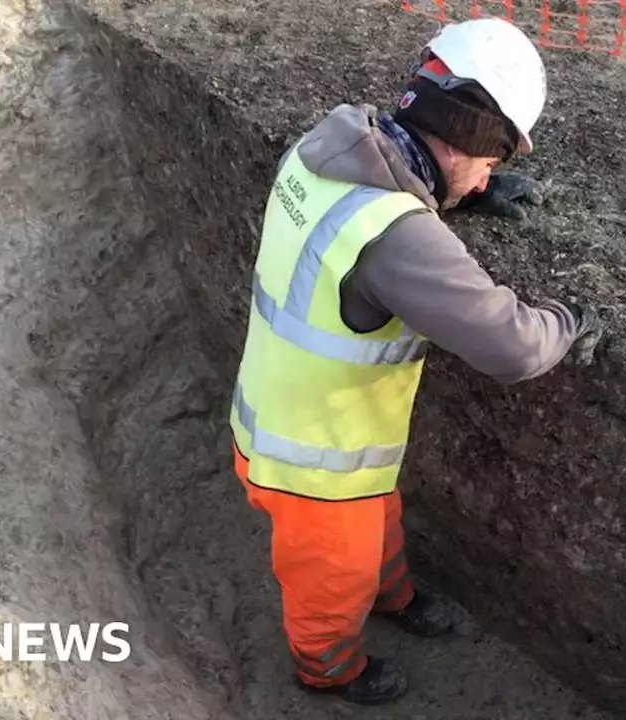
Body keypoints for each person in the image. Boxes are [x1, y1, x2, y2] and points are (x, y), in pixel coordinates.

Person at [227, 17, 603, 706]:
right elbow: (513, 346)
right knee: (329, 584)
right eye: (495, 158)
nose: (495, 171)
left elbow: (389, 191)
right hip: (310, 467)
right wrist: (570, 320)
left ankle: (392, 597)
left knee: (379, 530)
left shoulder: (326, 145)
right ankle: (329, 669)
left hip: (300, 425)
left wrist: (471, 193)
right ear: (468, 133)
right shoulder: (397, 240)